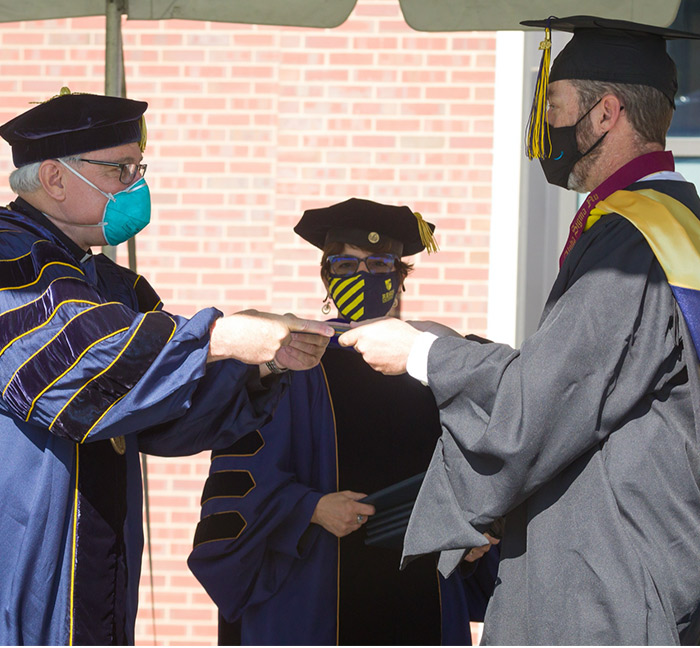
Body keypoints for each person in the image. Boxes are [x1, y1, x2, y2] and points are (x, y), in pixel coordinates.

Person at [338, 16, 700, 645]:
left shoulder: (636, 237)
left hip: (609, 590)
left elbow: (544, 403)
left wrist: (422, 352)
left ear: (606, 114)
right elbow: (594, 388)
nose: (547, 130)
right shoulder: (678, 223)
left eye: (556, 108)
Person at [0, 87, 333, 646]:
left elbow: (164, 417)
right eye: (120, 169)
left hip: (99, 568)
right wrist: (219, 336)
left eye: (139, 167)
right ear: (56, 179)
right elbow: (77, 365)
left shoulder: (112, 283)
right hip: (23, 560)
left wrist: (261, 366)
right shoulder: (9, 259)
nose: (137, 186)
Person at [188, 198, 499, 645]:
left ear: (400, 277)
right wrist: (309, 508)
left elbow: (481, 474)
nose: (364, 276)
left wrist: (471, 537)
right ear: (326, 276)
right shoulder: (292, 360)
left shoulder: (435, 362)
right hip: (314, 592)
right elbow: (240, 487)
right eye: (344, 264)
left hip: (420, 597)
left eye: (378, 263)